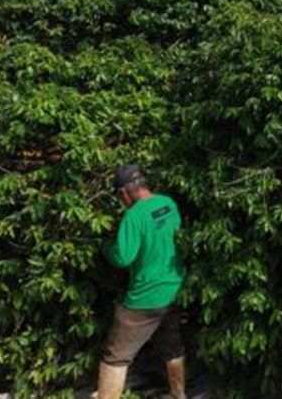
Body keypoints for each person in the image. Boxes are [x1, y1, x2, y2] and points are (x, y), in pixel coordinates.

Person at [97, 165, 188, 399]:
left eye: (120, 196)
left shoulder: (133, 216)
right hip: (174, 288)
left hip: (144, 298)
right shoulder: (167, 204)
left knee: (115, 357)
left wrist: (105, 247)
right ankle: (179, 395)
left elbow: (123, 257)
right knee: (172, 348)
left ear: (125, 192)